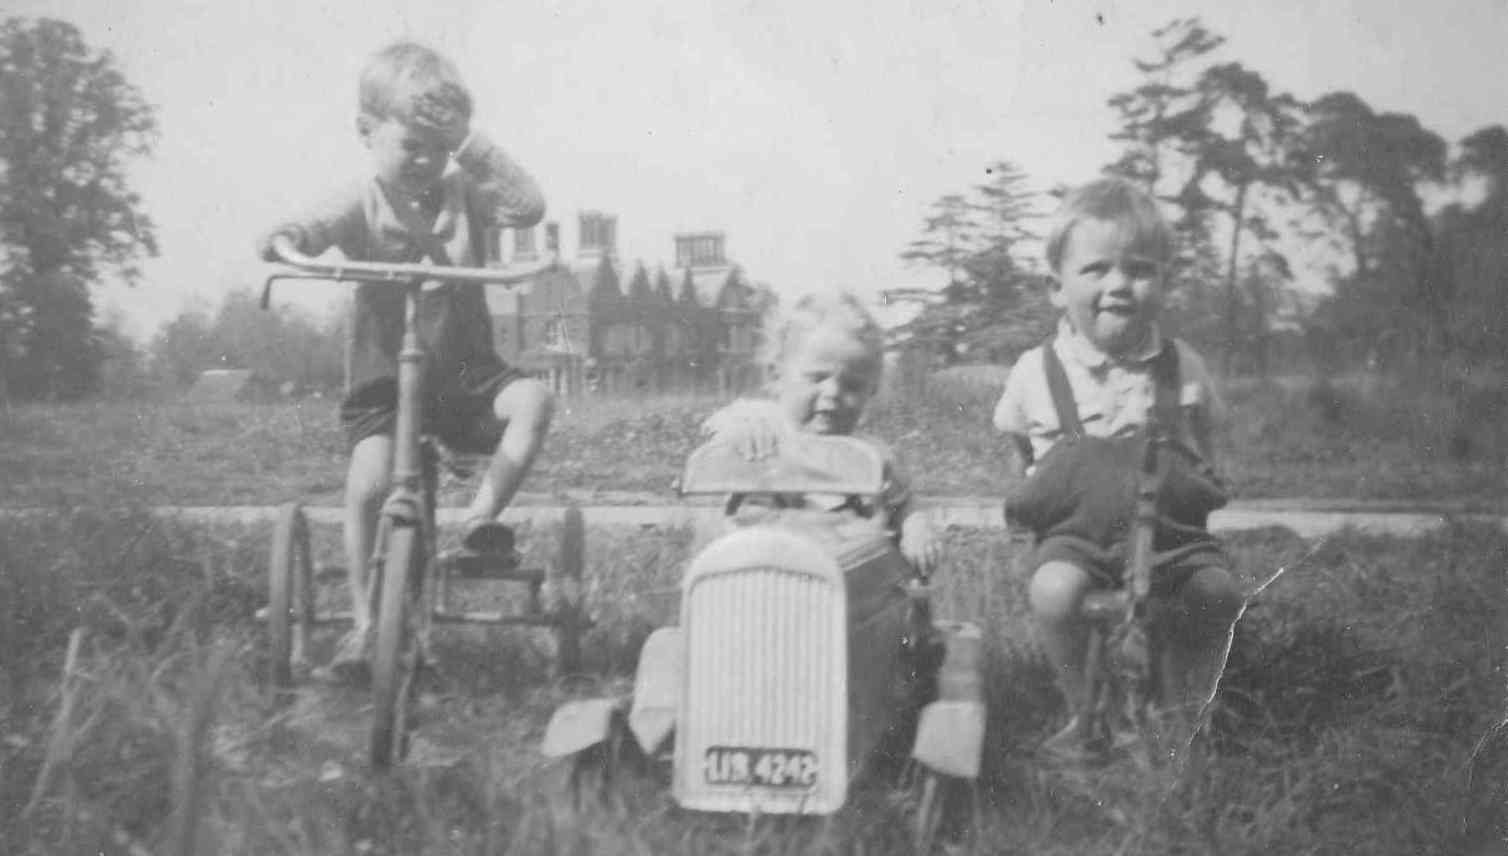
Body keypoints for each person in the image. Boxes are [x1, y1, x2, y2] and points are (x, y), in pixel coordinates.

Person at [259, 41, 553, 682]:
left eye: (437, 144)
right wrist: (289, 239)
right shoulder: (360, 200)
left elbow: (527, 206)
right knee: (367, 482)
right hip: (385, 386)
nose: (425, 159)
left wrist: (469, 143)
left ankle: (478, 521)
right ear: (367, 132)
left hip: (465, 378)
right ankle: (367, 625)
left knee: (535, 400)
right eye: (410, 143)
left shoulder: (467, 193)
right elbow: (309, 225)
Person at [993, 177, 1243, 759]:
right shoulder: (1036, 370)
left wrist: (1199, 480)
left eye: (1139, 269)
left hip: (1171, 538)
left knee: (1217, 592)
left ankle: (1181, 713)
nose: (1118, 286)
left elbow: (1208, 442)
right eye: (1097, 269)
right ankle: (1087, 709)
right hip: (1076, 537)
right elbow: (1017, 440)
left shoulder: (1182, 366)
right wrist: (1040, 493)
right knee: (1054, 592)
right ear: (1056, 287)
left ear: (1165, 283)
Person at [702, 292, 939, 576]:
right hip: (755, 574)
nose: (833, 393)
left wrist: (916, 526)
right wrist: (740, 426)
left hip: (840, 587)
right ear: (776, 376)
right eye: (816, 378)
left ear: (871, 391)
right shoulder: (765, 427)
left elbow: (904, 502)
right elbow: (720, 426)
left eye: (851, 386)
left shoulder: (869, 456)